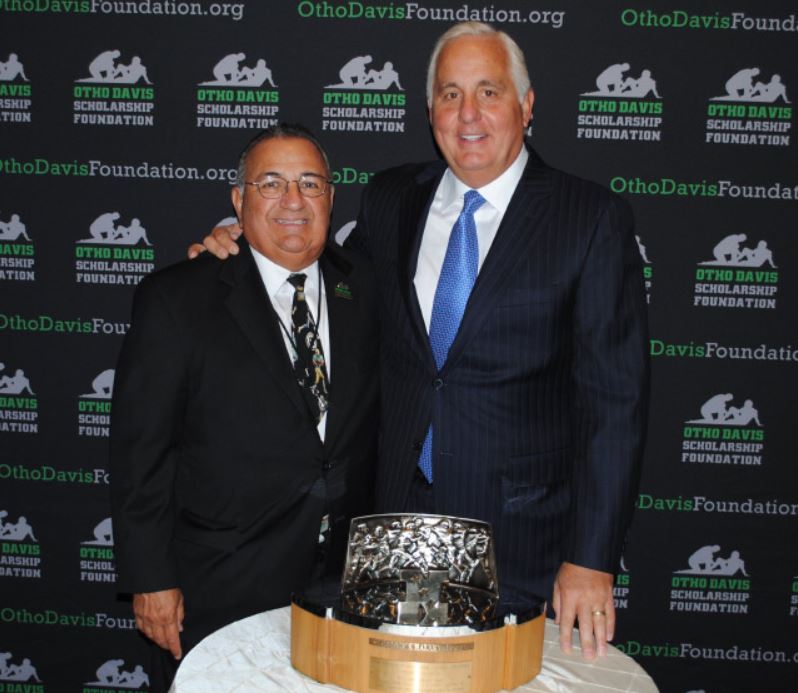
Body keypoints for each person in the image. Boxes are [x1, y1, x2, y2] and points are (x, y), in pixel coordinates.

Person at [191, 21, 648, 661]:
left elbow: (615, 405)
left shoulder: (589, 218)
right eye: (450, 93)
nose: (469, 114)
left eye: (488, 91)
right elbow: (319, 279)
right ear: (428, 107)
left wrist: (591, 559)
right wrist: (239, 243)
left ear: (527, 104)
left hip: (520, 544)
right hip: (387, 532)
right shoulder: (390, 199)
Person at [111, 124, 378, 691]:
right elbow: (141, 455)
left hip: (340, 596)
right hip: (218, 590)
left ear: (331, 198)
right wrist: (151, 580)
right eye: (271, 183)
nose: (292, 201)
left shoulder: (368, 290)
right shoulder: (177, 299)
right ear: (239, 200)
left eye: (310, 183)